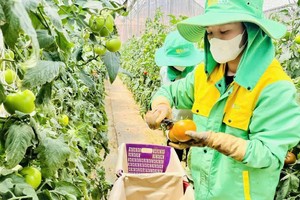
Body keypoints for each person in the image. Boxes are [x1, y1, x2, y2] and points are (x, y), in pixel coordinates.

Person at [145, 0, 300, 199]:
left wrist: (215, 140)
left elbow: (270, 154)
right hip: (202, 191)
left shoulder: (274, 86)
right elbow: (170, 91)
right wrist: (161, 106)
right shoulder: (206, 74)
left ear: (250, 31)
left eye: (224, 32)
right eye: (210, 32)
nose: (215, 39)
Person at [154, 30, 204, 162]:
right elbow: (165, 91)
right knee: (172, 159)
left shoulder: (199, 72)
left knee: (192, 156)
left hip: (194, 125)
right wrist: (162, 107)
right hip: (174, 124)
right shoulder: (164, 71)